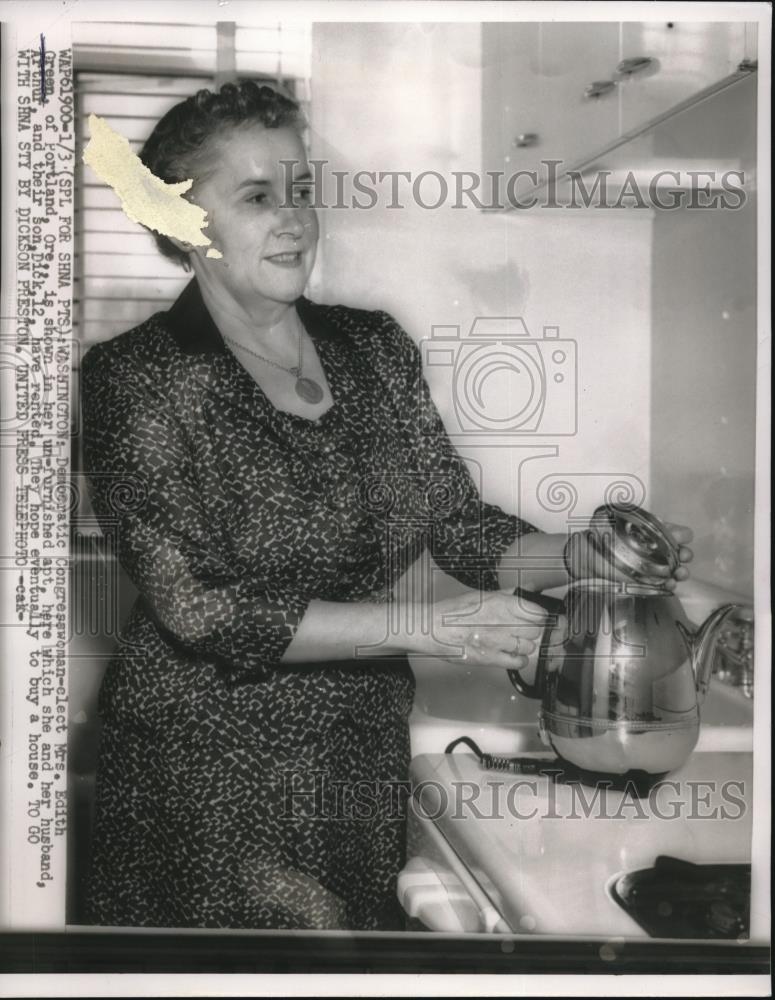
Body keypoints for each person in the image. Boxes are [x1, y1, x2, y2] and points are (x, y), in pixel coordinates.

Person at [80, 81, 693, 931]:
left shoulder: (371, 348)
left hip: (355, 753)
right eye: (257, 196)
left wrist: (582, 554)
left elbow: (459, 525)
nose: (294, 218)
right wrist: (425, 630)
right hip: (205, 769)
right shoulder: (134, 379)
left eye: (301, 189)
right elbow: (201, 607)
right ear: (186, 224)